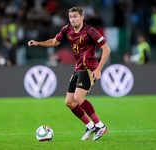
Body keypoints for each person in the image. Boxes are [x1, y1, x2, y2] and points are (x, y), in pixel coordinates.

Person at [28, 6, 111, 141]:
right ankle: (90, 126)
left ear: (82, 17)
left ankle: (100, 126)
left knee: (78, 98)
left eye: (75, 17)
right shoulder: (67, 30)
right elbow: (54, 42)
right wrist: (38, 43)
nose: (72, 19)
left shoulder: (91, 31)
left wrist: (98, 69)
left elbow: (106, 50)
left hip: (89, 68)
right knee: (69, 102)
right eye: (71, 17)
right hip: (78, 69)